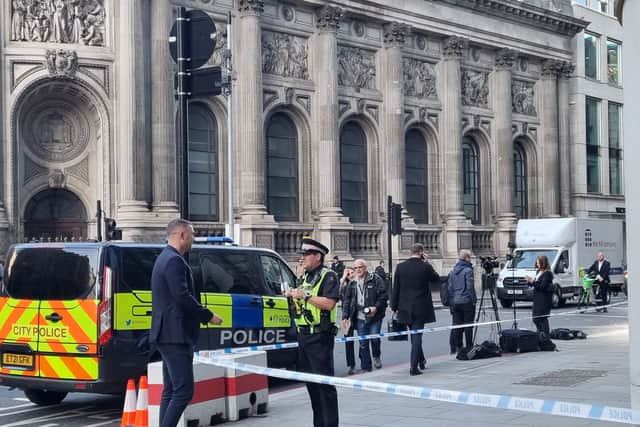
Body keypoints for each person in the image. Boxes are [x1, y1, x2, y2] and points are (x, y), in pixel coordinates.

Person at [150, 219, 223, 427]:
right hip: (175, 335)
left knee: (171, 390)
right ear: (181, 235)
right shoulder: (174, 261)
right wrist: (208, 316)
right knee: (184, 391)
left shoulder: (164, 257)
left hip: (166, 333)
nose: (193, 239)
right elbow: (182, 296)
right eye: (192, 235)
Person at [284, 237, 339, 427]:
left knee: (324, 387)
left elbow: (329, 303)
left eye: (306, 254)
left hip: (320, 336)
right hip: (304, 336)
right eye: (303, 254)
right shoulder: (305, 277)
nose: (303, 258)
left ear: (318, 256)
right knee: (312, 385)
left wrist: (305, 295)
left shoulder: (328, 275)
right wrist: (292, 295)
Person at [390, 243, 439, 375]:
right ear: (421, 252)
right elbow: (436, 279)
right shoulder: (425, 267)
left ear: (410, 252)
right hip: (420, 307)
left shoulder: (400, 267)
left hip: (404, 307)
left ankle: (421, 360)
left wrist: (393, 307)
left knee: (415, 335)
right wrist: (428, 262)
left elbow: (396, 289)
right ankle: (413, 366)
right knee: (417, 336)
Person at [342, 259, 387, 372]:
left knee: (374, 338)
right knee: (363, 342)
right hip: (360, 316)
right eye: (356, 268)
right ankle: (366, 367)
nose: (358, 270)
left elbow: (383, 296)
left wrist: (375, 307)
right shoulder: (352, 283)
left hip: (375, 316)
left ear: (365, 268)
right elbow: (347, 301)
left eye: (360, 267)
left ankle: (376, 356)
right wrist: (345, 316)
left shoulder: (375, 279)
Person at [448, 250, 477, 354]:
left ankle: (458, 347)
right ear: (467, 258)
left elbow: (450, 288)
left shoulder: (452, 271)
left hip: (455, 301)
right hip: (466, 301)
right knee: (468, 326)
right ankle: (469, 347)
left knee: (457, 326)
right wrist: (474, 300)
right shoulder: (468, 270)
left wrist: (453, 300)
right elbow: (470, 287)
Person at [526, 255, 554, 335]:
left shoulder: (547, 273)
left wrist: (533, 282)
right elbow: (536, 284)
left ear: (543, 263)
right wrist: (530, 281)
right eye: (537, 262)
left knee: (542, 318)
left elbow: (542, 286)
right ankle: (540, 333)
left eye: (539, 263)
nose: (537, 264)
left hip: (544, 299)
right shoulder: (538, 272)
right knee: (535, 318)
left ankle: (545, 335)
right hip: (537, 298)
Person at [339, 267, 356, 374]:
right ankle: (351, 364)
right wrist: (343, 277)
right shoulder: (344, 286)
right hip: (346, 314)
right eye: (348, 273)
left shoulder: (357, 283)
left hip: (357, 313)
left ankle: (364, 360)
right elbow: (337, 292)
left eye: (352, 272)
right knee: (348, 340)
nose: (351, 274)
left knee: (364, 339)